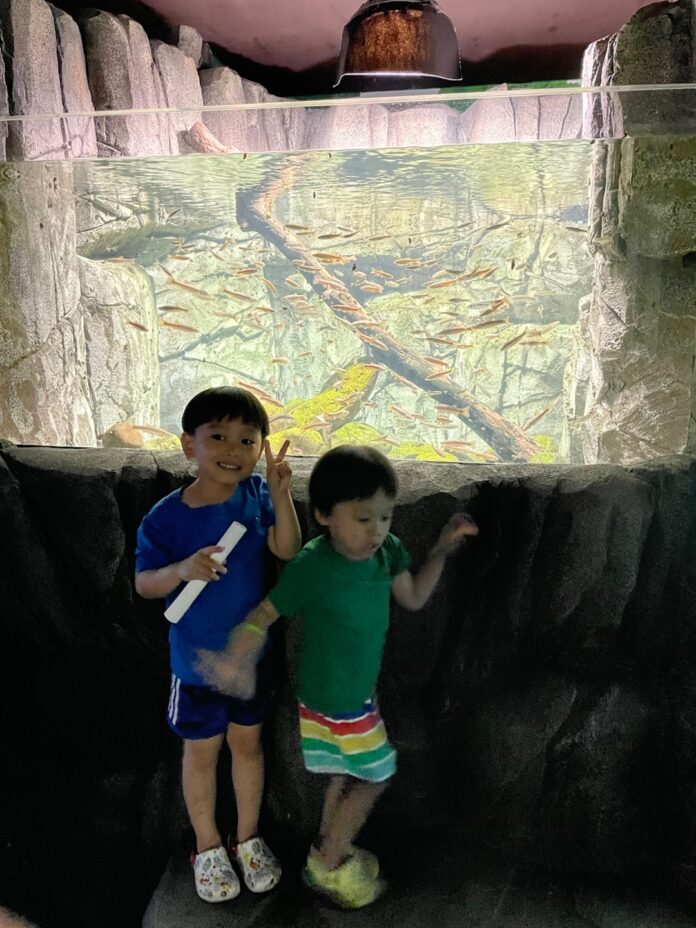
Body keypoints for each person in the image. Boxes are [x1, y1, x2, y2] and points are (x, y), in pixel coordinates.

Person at [197, 444, 478, 909]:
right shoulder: (313, 564)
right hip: (334, 700)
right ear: (324, 515)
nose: (377, 530)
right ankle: (331, 860)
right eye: (363, 518)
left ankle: (322, 856)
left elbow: (412, 597)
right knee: (376, 776)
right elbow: (265, 612)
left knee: (346, 774)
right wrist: (235, 657)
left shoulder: (388, 552)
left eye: (385, 516)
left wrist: (441, 551)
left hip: (356, 696)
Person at [134, 386, 301, 904]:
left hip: (250, 661)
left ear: (261, 447)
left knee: (248, 746)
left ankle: (247, 838)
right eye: (219, 437)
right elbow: (145, 584)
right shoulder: (165, 518)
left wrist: (280, 494)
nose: (234, 449)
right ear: (190, 445)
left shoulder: (257, 496)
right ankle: (207, 846)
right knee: (201, 752)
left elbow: (287, 549)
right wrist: (183, 569)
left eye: (247, 440)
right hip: (195, 665)